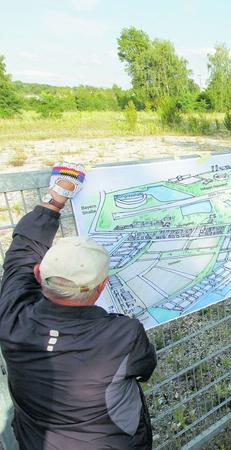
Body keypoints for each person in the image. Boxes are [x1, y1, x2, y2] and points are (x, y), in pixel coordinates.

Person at [0, 163, 157, 449]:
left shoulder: (13, 317)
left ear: (39, 274)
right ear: (101, 287)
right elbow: (144, 369)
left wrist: (55, 199)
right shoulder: (124, 332)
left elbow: (19, 257)